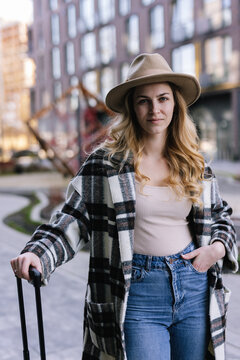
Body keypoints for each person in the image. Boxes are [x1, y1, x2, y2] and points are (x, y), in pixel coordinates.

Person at [11, 53, 238, 360]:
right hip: (137, 293)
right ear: (132, 106)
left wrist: (217, 250)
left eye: (163, 98)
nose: (155, 109)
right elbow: (72, 218)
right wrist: (38, 253)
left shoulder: (194, 162)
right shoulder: (106, 164)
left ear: (175, 104)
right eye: (144, 100)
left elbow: (222, 215)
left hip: (194, 286)